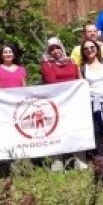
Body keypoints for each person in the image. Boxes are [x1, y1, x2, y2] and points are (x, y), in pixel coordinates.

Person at [40, 37, 83, 171]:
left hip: (74, 101)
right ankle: (58, 160)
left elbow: (79, 79)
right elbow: (51, 82)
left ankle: (79, 159)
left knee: (77, 129)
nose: (55, 51)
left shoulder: (72, 62)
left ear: (62, 48)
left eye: (57, 47)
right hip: (57, 103)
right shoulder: (47, 65)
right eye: (51, 49)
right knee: (58, 130)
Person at [80, 39, 103, 158]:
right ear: (83, 52)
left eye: (92, 47)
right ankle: (101, 158)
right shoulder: (83, 68)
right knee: (97, 131)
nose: (89, 50)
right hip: (93, 102)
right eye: (86, 48)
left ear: (97, 49)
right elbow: (81, 85)